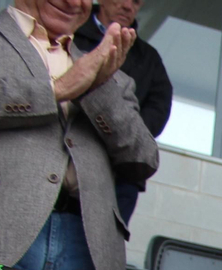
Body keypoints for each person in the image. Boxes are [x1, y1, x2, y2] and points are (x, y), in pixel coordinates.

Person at [0, 2, 158, 270]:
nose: (74, 3)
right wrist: (57, 89)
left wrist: (97, 90)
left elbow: (143, 159)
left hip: (85, 243)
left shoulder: (114, 77)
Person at [73, 0, 170, 224]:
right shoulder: (71, 33)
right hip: (67, 156)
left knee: (102, 254)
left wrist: (121, 132)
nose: (128, 6)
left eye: (136, 2)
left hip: (120, 174)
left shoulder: (149, 59)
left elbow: (159, 110)